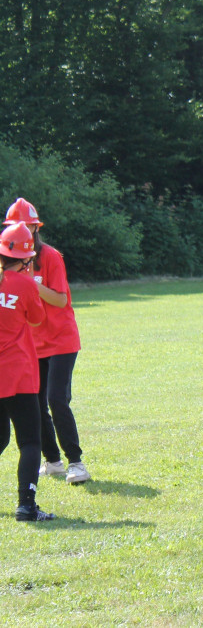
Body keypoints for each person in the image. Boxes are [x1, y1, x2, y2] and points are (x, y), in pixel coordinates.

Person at [3, 199, 89, 485]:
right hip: (33, 345)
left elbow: (61, 299)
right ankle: (52, 461)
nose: (22, 231)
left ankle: (76, 462)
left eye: (27, 226)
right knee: (36, 404)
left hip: (62, 340)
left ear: (35, 229)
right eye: (16, 227)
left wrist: (33, 285)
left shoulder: (50, 257)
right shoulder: (10, 263)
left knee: (56, 399)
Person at [0, 222, 56, 521]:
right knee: (30, 441)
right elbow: (36, 320)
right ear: (25, 259)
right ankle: (26, 505)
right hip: (18, 373)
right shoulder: (24, 284)